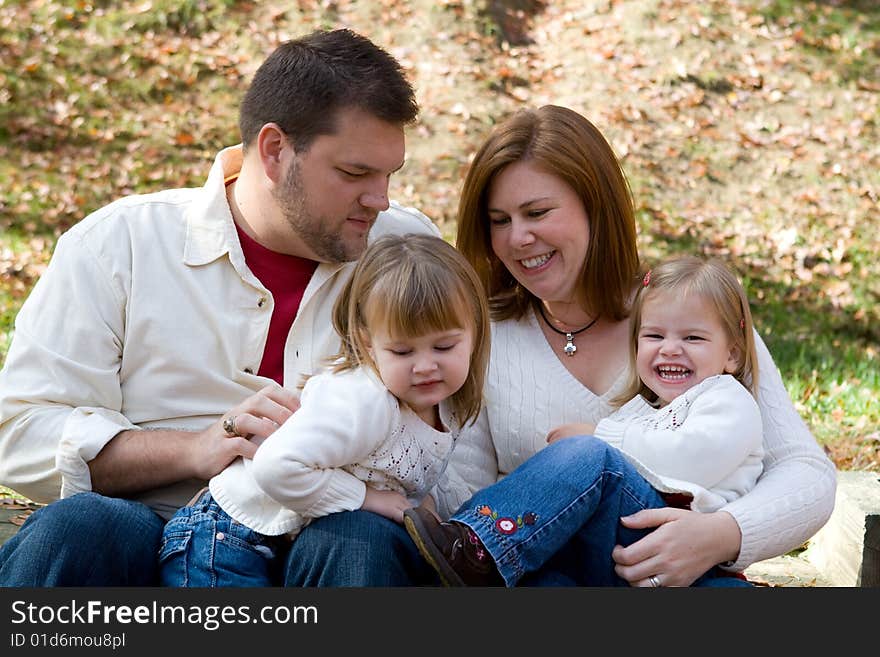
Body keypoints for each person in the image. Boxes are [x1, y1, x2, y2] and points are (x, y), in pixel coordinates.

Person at [286, 104, 836, 587]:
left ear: (596, 206)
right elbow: (460, 495)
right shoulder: (479, 339)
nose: (518, 238)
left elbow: (805, 472)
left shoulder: (688, 323)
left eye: (538, 213)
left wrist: (722, 535)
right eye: (500, 221)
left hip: (668, 573)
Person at [0, 28, 443, 586]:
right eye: (355, 174)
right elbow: (21, 434)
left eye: (388, 175)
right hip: (147, 532)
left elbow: (465, 411)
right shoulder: (119, 245)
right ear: (275, 150)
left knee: (361, 543)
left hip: (331, 537)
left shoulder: (407, 249)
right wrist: (195, 449)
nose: (380, 199)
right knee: (79, 529)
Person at [403, 255, 764, 586]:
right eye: (654, 336)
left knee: (591, 457)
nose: (670, 348)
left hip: (687, 555)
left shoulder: (727, 400)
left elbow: (689, 460)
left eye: (692, 337)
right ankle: (470, 560)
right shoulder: (642, 410)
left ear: (732, 353)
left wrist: (600, 439)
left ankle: (478, 544)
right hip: (623, 557)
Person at [159, 234, 489, 587]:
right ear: (369, 345)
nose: (425, 366)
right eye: (403, 352)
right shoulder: (364, 399)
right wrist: (367, 498)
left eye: (443, 346)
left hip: (287, 544)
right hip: (227, 539)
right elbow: (276, 466)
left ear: (474, 333)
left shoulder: (444, 404)